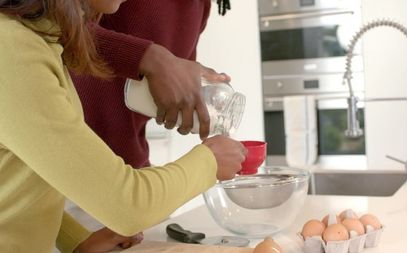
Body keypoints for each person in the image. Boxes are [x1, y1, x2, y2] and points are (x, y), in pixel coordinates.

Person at [0, 0, 246, 253]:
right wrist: (210, 161)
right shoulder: (13, 50)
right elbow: (128, 205)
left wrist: (75, 240)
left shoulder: (36, 40)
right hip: (102, 186)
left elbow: (25, 175)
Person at [72, 0, 232, 169]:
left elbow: (165, 90)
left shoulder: (201, 7)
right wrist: (149, 58)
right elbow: (57, 29)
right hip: (66, 154)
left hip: (123, 165)